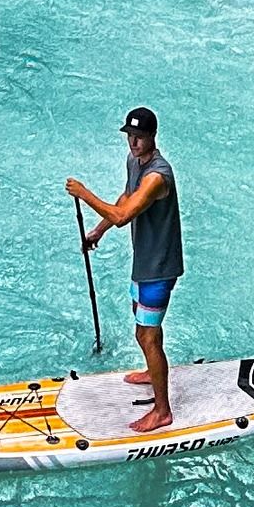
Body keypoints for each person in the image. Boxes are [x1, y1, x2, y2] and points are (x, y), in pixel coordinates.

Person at [66, 105, 184, 434]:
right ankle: (152, 370)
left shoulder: (158, 176)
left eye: (140, 137)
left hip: (159, 266)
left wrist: (84, 193)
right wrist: (98, 230)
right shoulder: (134, 162)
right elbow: (124, 199)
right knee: (143, 332)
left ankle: (162, 412)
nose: (133, 143)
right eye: (130, 136)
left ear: (152, 137)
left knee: (147, 335)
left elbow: (124, 215)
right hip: (143, 262)